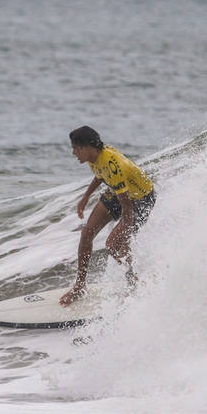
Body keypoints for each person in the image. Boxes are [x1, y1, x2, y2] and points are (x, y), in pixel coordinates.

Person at [60, 126, 156, 306]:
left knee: (114, 244)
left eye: (76, 148)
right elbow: (100, 175)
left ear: (87, 146)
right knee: (87, 233)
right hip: (122, 192)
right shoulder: (94, 157)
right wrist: (86, 197)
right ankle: (80, 287)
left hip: (142, 198)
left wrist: (124, 232)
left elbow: (126, 206)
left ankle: (132, 280)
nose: (74, 152)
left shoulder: (113, 163)